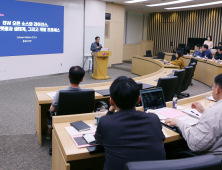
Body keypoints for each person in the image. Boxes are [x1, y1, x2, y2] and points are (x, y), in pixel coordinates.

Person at [95, 76, 166, 170]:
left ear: (111, 101)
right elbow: (162, 139)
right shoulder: (153, 119)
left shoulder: (105, 122)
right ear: (138, 100)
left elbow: (99, 140)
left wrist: (110, 111)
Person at [165, 73, 222, 159]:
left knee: (168, 149)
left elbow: (195, 144)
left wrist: (179, 123)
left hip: (210, 160)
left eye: (213, 87)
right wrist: (204, 111)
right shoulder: (215, 112)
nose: (213, 89)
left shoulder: (214, 112)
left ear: (217, 89)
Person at [46, 66, 85, 139]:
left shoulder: (60, 92)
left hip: (63, 120)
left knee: (49, 113)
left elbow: (52, 110)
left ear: (68, 76)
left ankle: (49, 132)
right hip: (81, 120)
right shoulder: (86, 92)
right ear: (82, 79)